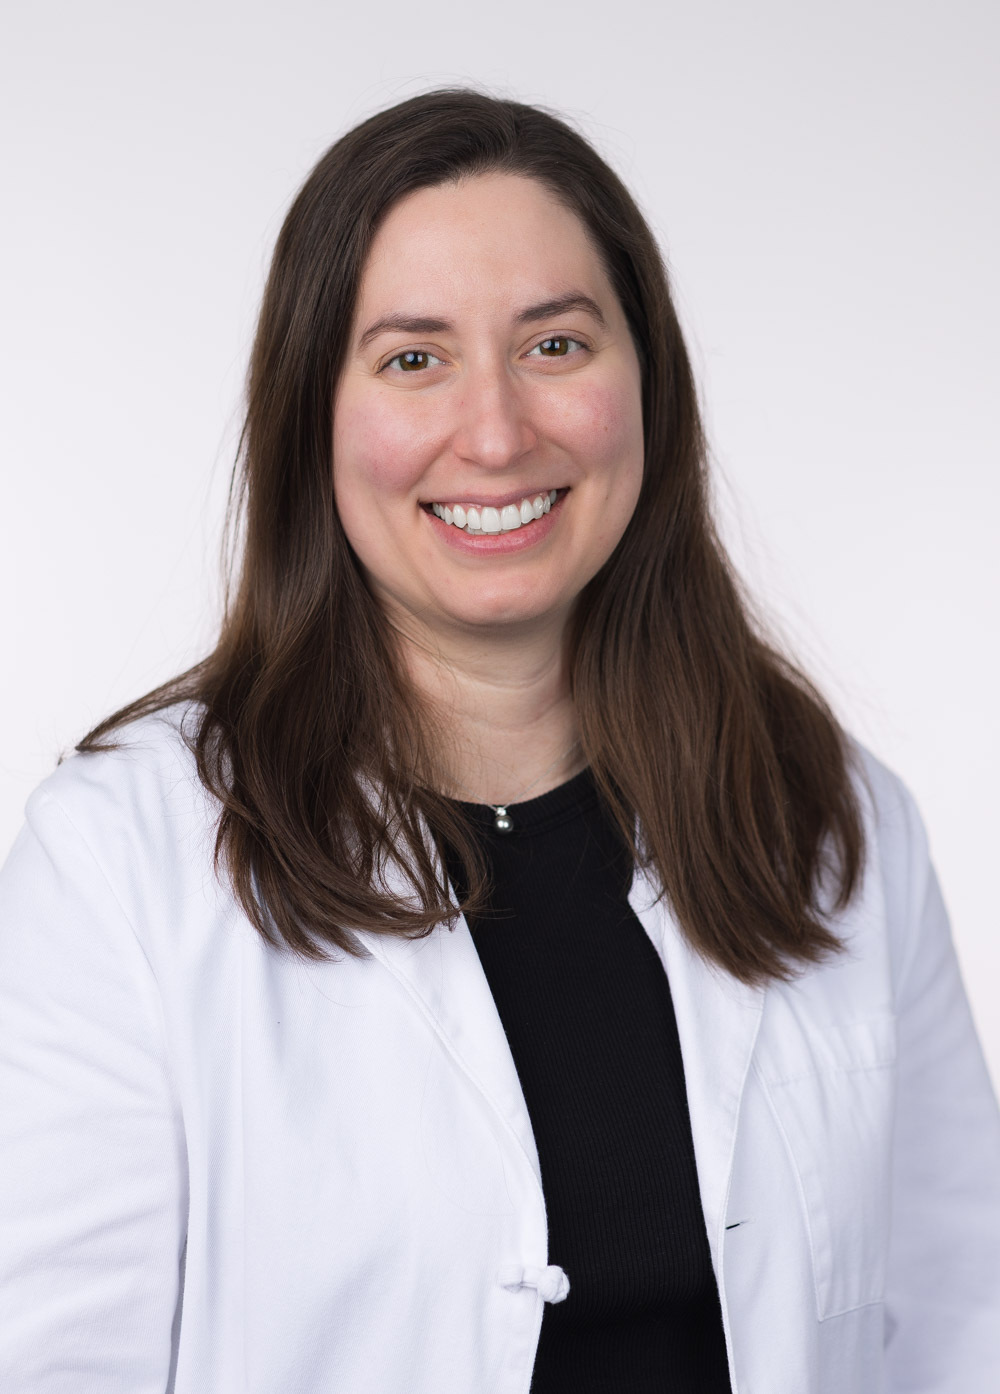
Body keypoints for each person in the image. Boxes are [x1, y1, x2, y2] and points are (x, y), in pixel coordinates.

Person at [1, 88, 998, 1394]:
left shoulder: (833, 820)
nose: (496, 432)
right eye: (414, 357)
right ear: (316, 415)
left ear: (649, 382)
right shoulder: (122, 858)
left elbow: (961, 1332)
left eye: (557, 346)